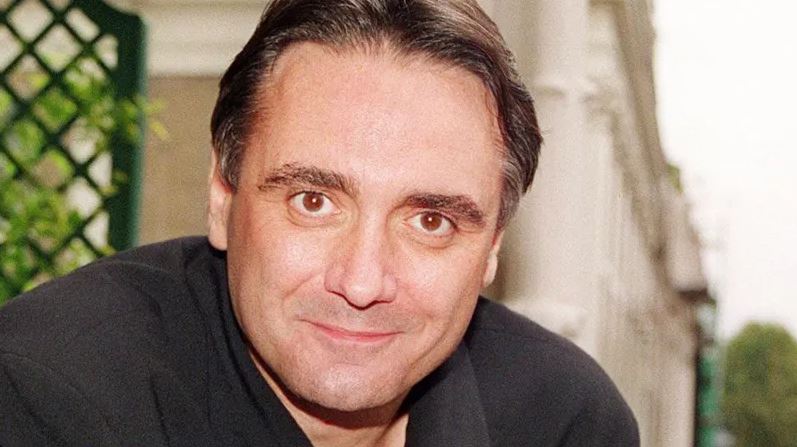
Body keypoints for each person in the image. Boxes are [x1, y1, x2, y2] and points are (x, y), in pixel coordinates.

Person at [0, 0, 639, 445]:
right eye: (313, 202)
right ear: (222, 195)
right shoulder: (49, 395)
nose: (361, 283)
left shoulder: (562, 422)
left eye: (431, 221)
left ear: (493, 245)